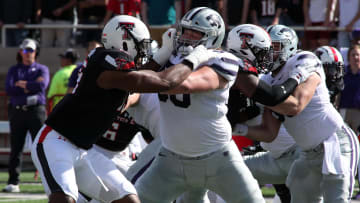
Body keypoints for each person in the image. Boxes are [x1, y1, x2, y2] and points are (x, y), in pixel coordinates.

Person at [30, 14, 217, 203]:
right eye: (142, 45)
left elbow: (142, 75)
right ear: (125, 41)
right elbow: (162, 82)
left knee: (128, 199)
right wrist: (193, 59)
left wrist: (164, 53)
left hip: (85, 150)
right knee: (64, 198)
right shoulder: (107, 59)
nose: (145, 52)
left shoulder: (110, 65)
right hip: (56, 141)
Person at [239, 24, 359, 203]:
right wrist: (238, 129)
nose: (270, 53)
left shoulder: (305, 60)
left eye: (275, 47)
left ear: (289, 46)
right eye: (267, 48)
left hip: (336, 142)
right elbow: (269, 133)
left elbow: (296, 105)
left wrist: (260, 95)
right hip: (307, 153)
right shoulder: (269, 79)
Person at [3, 38, 49, 193]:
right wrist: (31, 86)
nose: (27, 53)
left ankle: (48, 180)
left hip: (36, 111)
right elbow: (9, 89)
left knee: (41, 146)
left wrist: (22, 84)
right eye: (25, 50)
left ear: (36, 52)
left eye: (30, 50)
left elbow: (42, 86)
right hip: (17, 111)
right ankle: (13, 181)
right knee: (16, 147)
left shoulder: (42, 69)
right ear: (20, 52)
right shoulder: (14, 70)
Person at [339, 43, 360, 135]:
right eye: (353, 55)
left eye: (358, 55)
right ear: (348, 58)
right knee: (344, 137)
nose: (355, 57)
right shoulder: (343, 74)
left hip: (358, 111)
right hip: (344, 110)